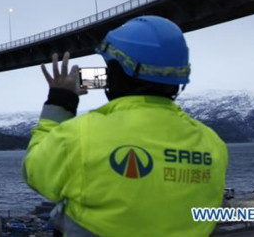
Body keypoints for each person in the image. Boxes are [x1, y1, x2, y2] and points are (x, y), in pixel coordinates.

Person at [23, 15, 228, 237]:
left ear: (117, 72)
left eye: (109, 68)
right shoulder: (213, 144)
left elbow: (35, 172)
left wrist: (60, 102)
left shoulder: (82, 135)